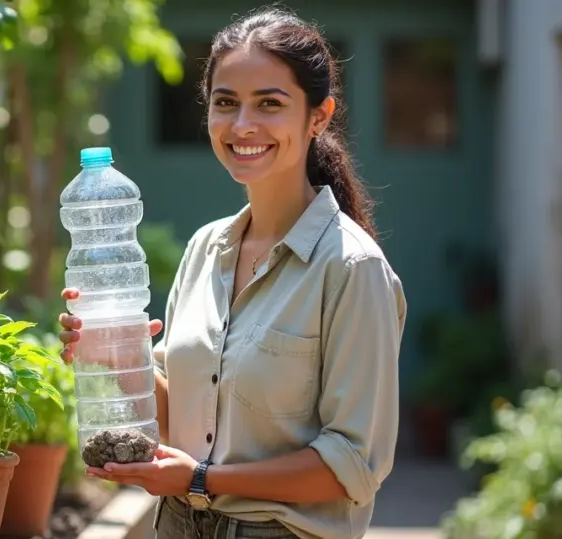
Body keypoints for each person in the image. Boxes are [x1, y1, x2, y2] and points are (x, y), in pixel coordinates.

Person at [57, 7, 408, 539]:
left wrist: (202, 480)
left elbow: (354, 464)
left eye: (270, 103)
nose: (243, 126)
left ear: (318, 117)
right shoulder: (205, 248)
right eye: (226, 103)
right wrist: (111, 351)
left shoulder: (352, 269)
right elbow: (185, 420)